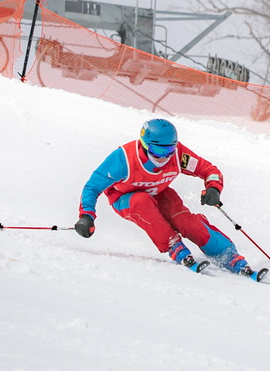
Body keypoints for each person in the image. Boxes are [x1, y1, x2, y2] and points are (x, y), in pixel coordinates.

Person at [73, 118, 259, 277]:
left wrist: (214, 188)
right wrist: (86, 215)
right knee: (141, 202)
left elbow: (209, 170)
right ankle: (173, 245)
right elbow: (92, 187)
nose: (164, 157)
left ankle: (227, 254)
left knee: (185, 222)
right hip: (125, 198)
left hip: (159, 191)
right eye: (159, 152)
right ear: (145, 145)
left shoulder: (178, 155)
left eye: (169, 151)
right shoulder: (123, 159)